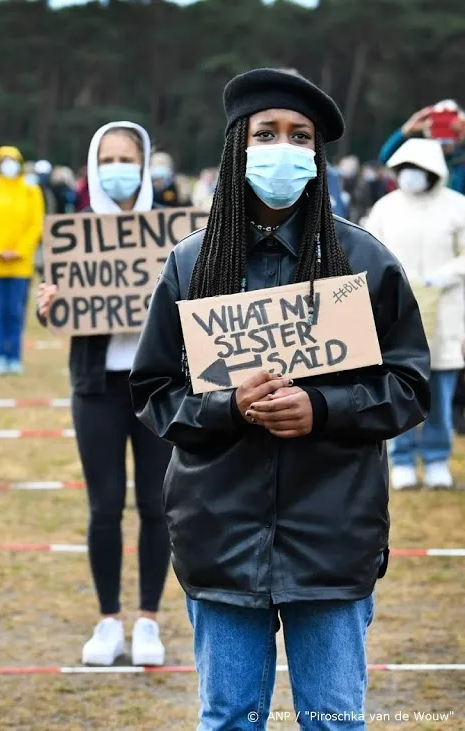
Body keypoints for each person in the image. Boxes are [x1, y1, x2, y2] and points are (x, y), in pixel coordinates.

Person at [129, 69, 429, 729]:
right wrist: (226, 407)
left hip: (333, 539)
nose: (282, 147)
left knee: (332, 719)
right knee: (231, 718)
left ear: (317, 157)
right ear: (239, 145)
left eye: (299, 136)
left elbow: (409, 386)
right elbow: (154, 391)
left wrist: (323, 410)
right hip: (220, 537)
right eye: (267, 133)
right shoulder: (191, 264)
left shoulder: (363, 260)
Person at [36, 121, 172, 667]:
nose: (120, 168)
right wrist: (50, 303)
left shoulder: (171, 231)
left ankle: (150, 621)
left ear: (144, 166)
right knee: (105, 506)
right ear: (94, 167)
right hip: (96, 385)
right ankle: (108, 619)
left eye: (128, 159)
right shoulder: (76, 234)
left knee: (158, 507)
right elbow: (57, 307)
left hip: (159, 386)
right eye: (109, 159)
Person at [364, 138, 465, 489]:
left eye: (418, 170)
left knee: (439, 387)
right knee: (398, 384)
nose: (410, 176)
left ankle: (437, 456)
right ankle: (402, 456)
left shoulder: (456, 207)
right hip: (396, 310)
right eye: (404, 169)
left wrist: (443, 276)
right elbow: (368, 252)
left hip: (444, 308)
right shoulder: (385, 207)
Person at [0, 146, 44, 375]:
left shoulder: (31, 192)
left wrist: (21, 250)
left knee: (16, 312)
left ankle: (14, 356)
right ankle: (0, 357)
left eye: (12, 160)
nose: (9, 165)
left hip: (21, 265)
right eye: (4, 161)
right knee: (0, 313)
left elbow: (36, 225)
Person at [380, 102, 465, 194]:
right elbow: (386, 158)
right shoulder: (421, 157)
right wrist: (406, 130)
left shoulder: (461, 161)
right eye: (440, 125)